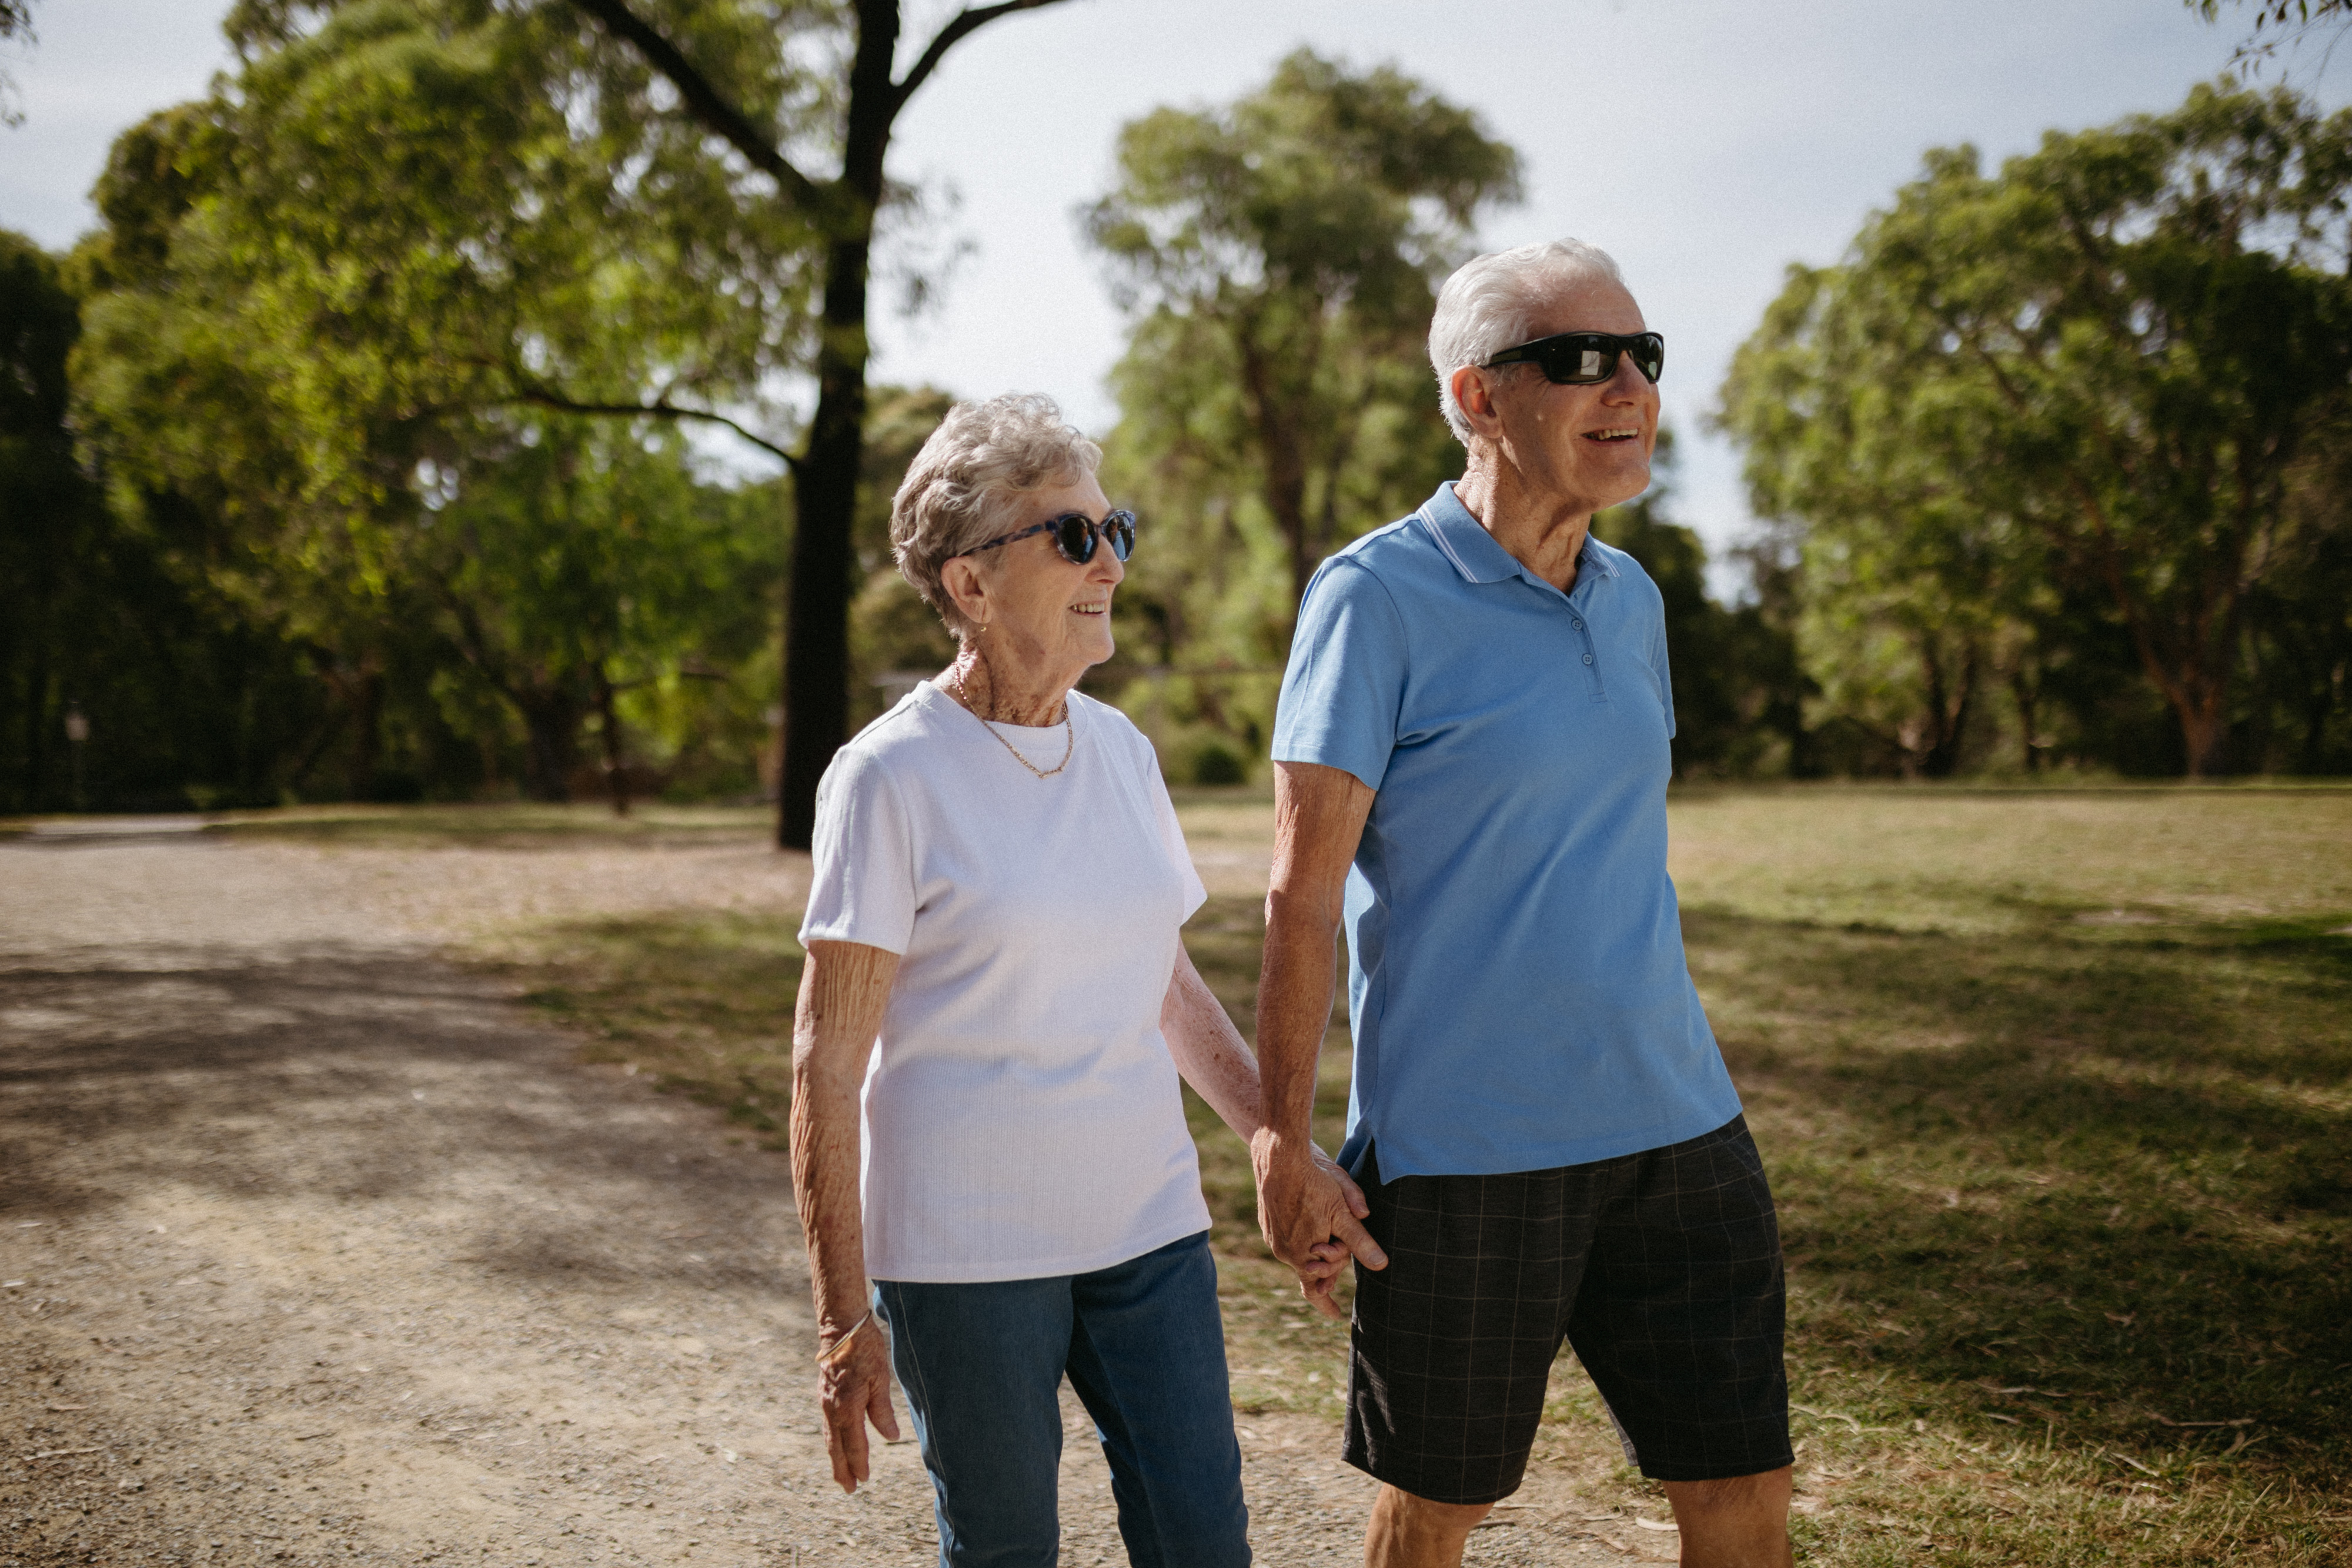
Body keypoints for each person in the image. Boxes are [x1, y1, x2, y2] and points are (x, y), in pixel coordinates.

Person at [1249, 240, 1796, 1568]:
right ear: (1478, 396)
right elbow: (1299, 895)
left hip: (1678, 1123)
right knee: (1436, 1507)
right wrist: (1281, 1141)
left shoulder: (1632, 597)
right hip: (1465, 1154)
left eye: (1640, 355)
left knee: (1743, 1483)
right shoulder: (1372, 596)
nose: (1625, 384)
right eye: (1575, 358)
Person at [789, 393, 1362, 1568]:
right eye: (1070, 535)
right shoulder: (887, 776)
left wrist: (1277, 1140)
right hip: (962, 1252)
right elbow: (827, 1061)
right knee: (1004, 1552)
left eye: (1114, 529)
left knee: (1204, 1540)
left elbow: (1160, 979)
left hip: (1145, 1226)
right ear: (968, 583)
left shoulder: (1119, 750)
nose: (1107, 560)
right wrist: (843, 1315)